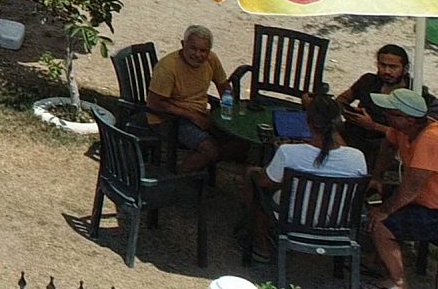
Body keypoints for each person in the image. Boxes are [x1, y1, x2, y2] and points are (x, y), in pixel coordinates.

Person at [243, 95, 366, 255]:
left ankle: (262, 243)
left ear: (308, 121)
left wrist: (257, 172)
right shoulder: (357, 157)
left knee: (254, 177)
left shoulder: (289, 152)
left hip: (294, 218)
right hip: (338, 221)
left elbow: (265, 182)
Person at [366, 87, 437, 289]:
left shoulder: (430, 139)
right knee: (374, 202)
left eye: (390, 112)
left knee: (381, 226)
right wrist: (377, 177)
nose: (385, 114)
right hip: (423, 200)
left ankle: (398, 283)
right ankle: (383, 262)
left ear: (409, 119)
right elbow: (388, 146)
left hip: (433, 209)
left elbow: (411, 188)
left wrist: (384, 211)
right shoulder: (401, 129)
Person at [148, 24, 239, 175]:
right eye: (193, 49)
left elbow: (224, 86)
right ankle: (179, 177)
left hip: (199, 113)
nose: (198, 54)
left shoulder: (211, 59)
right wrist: (192, 116)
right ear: (183, 45)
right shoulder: (167, 67)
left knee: (239, 142)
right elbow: (154, 103)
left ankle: (199, 166)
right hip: (168, 118)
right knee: (209, 150)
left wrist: (229, 107)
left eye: (203, 51)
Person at [340, 44, 416, 177]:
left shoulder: (413, 92)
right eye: (382, 65)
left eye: (393, 67)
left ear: (405, 68)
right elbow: (343, 98)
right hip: (353, 133)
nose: (387, 71)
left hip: (383, 144)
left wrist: (373, 125)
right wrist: (347, 111)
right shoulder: (369, 81)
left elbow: (410, 133)